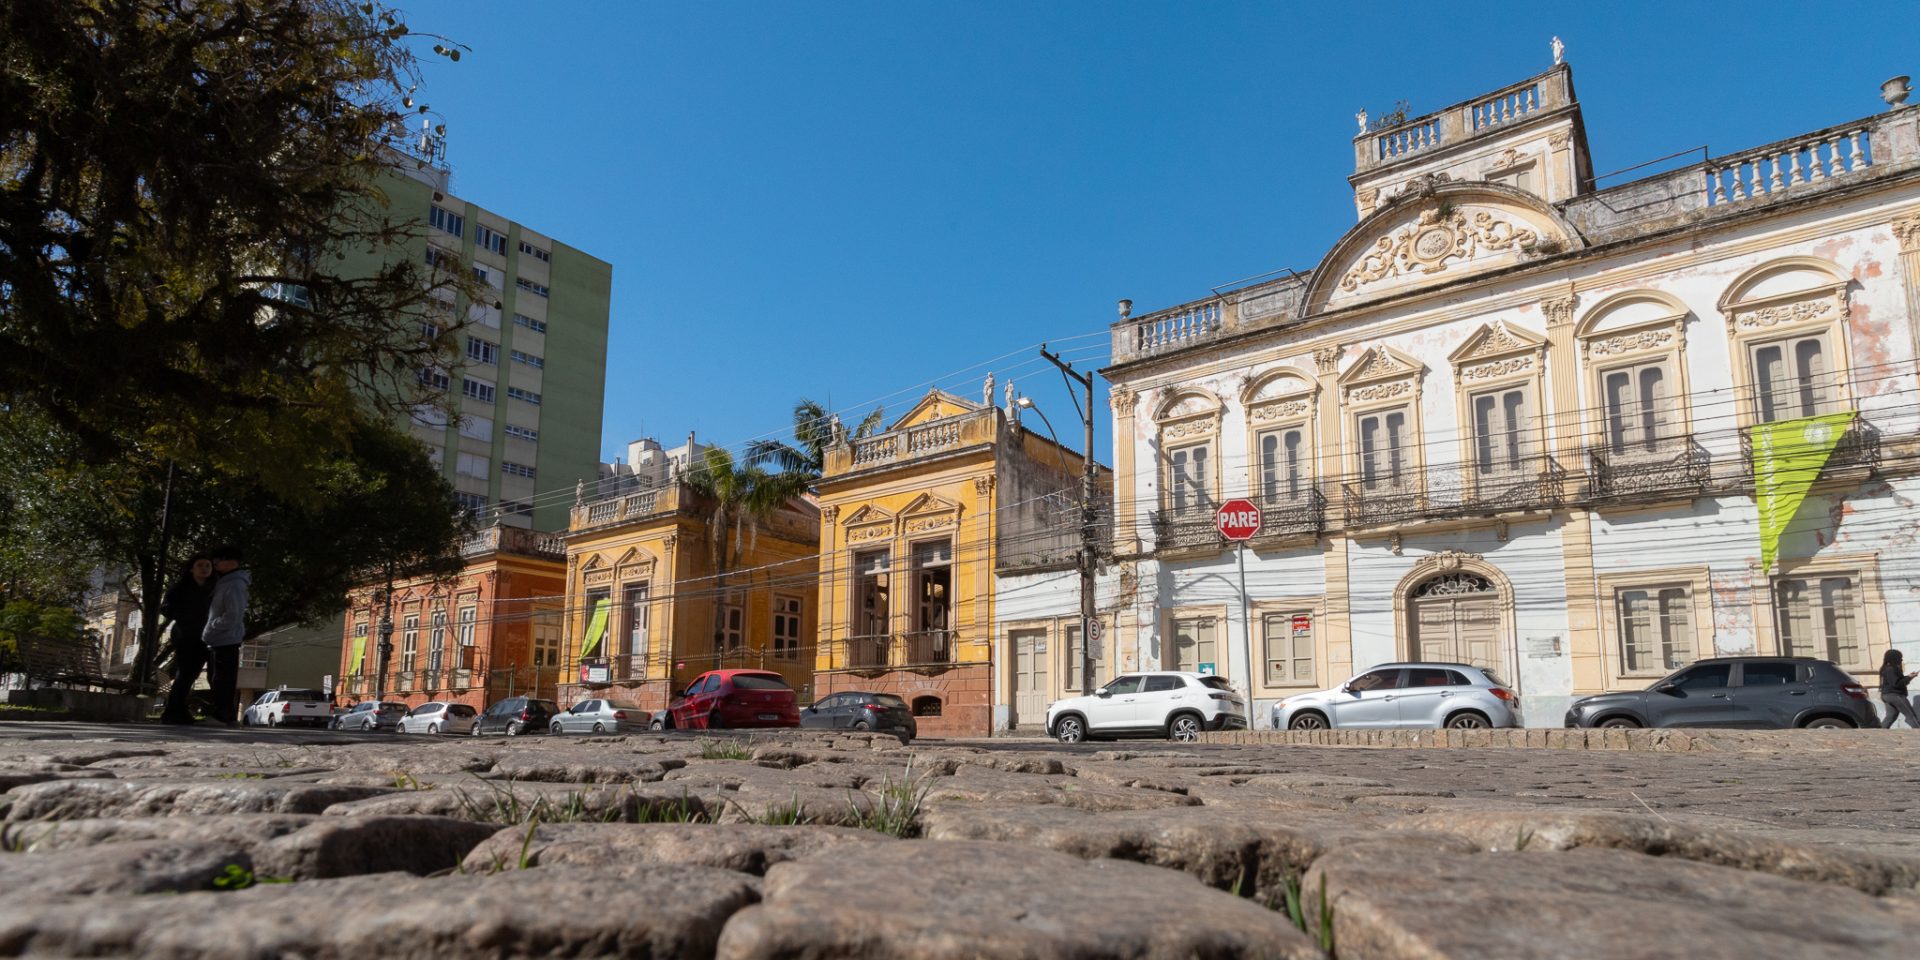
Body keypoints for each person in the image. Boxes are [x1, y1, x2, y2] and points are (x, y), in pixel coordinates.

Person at [157, 555, 215, 724]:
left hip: (205, 636)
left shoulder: (214, 588)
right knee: (185, 672)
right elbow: (166, 608)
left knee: (193, 674)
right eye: (200, 565)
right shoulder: (181, 587)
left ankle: (179, 710)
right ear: (192, 568)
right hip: (184, 634)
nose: (204, 568)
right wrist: (185, 617)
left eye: (207, 565)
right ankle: (172, 712)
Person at [201, 544, 252, 727]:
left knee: (222, 679)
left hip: (226, 639)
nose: (214, 563)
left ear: (231, 562)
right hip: (220, 639)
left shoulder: (235, 583)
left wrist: (210, 629)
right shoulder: (225, 581)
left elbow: (233, 615)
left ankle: (222, 716)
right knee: (217, 678)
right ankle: (224, 715)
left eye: (218, 560)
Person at [1879, 649, 1918, 729]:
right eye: (1900, 658)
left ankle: (1878, 734)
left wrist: (1909, 677)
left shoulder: (1886, 668)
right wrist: (1909, 677)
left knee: (1890, 717)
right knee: (1910, 716)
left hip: (1887, 695)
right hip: (1895, 695)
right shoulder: (1891, 669)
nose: (1901, 660)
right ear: (1894, 658)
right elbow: (1897, 684)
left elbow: (1897, 681)